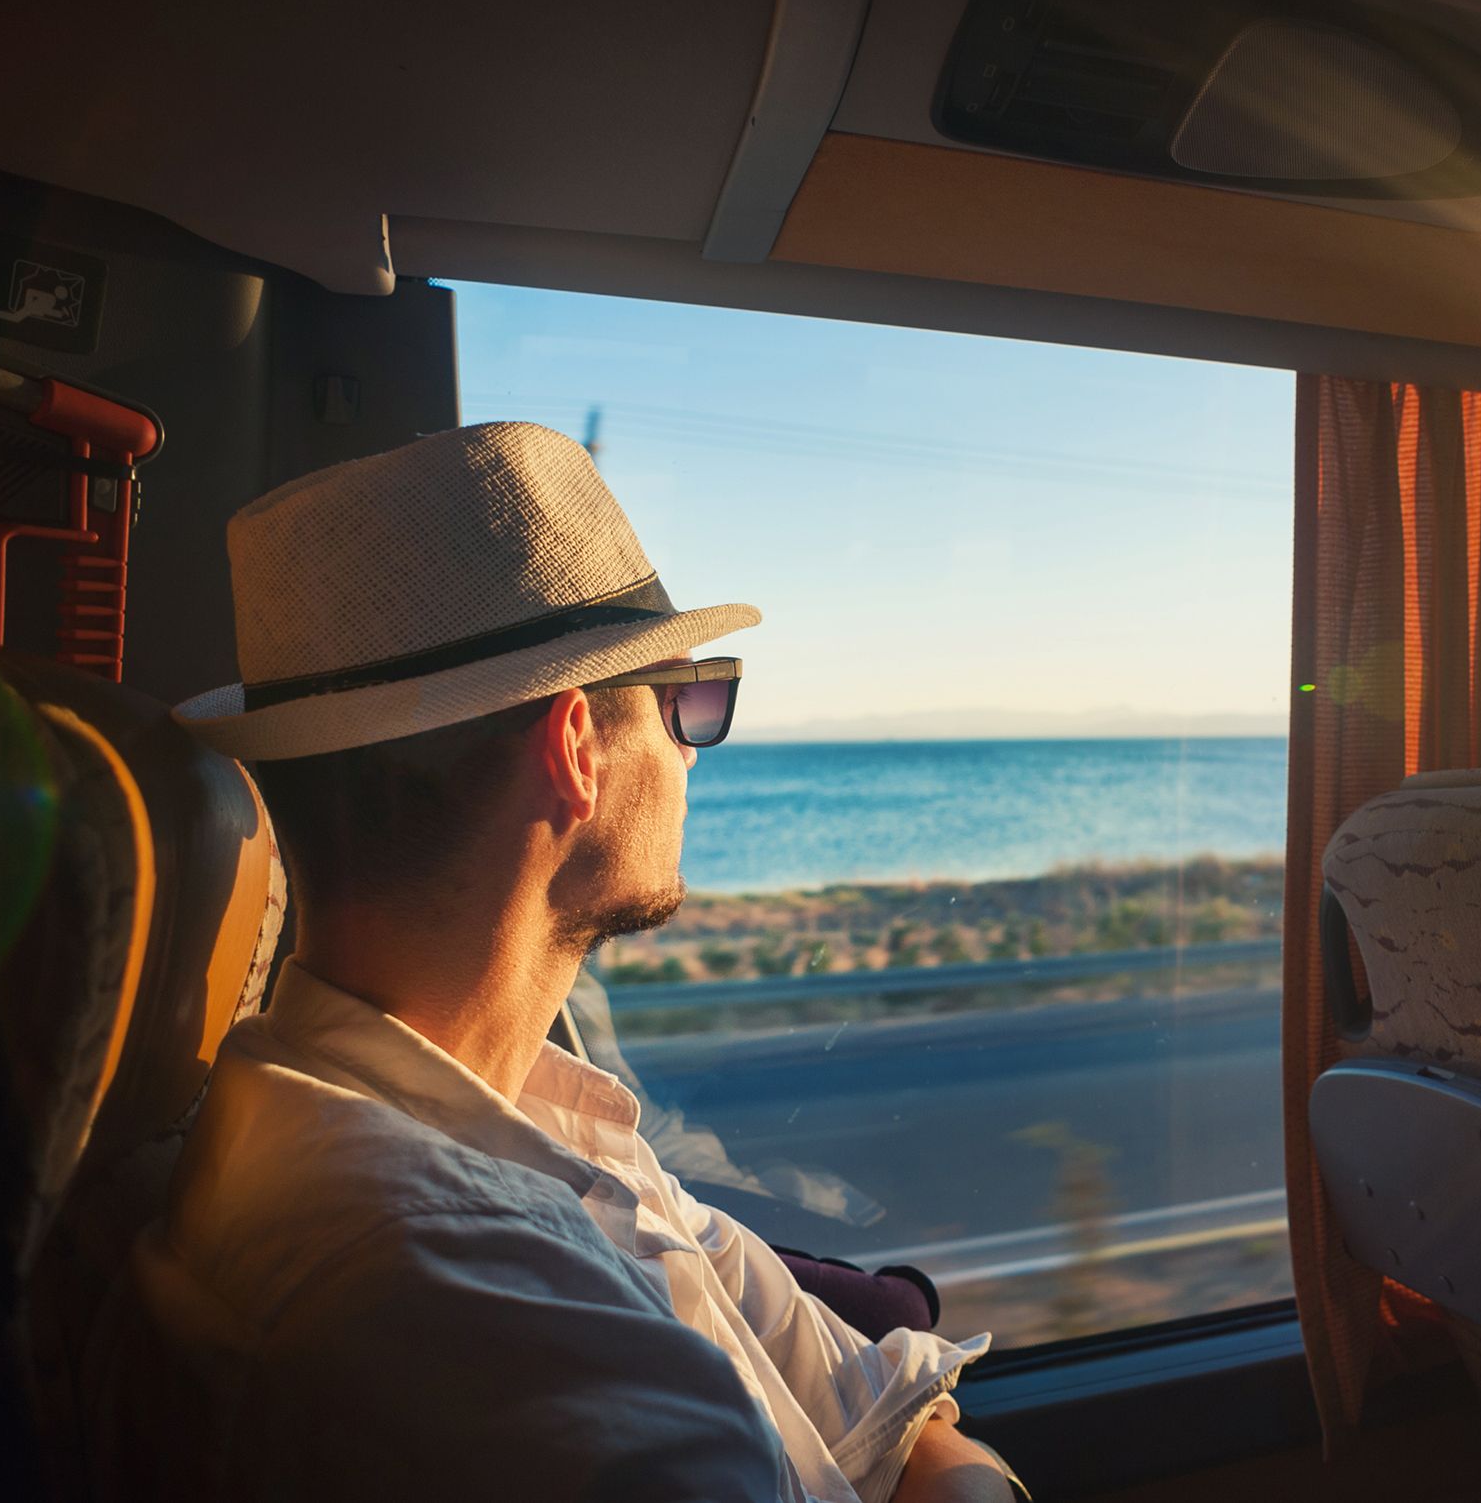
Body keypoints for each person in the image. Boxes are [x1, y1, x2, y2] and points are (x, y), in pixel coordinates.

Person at [91, 423, 1014, 1502]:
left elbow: (879, 1410)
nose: (690, 756)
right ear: (575, 748)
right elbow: (899, 1443)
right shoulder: (456, 1288)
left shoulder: (520, 1111)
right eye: (690, 701)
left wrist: (932, 1455)